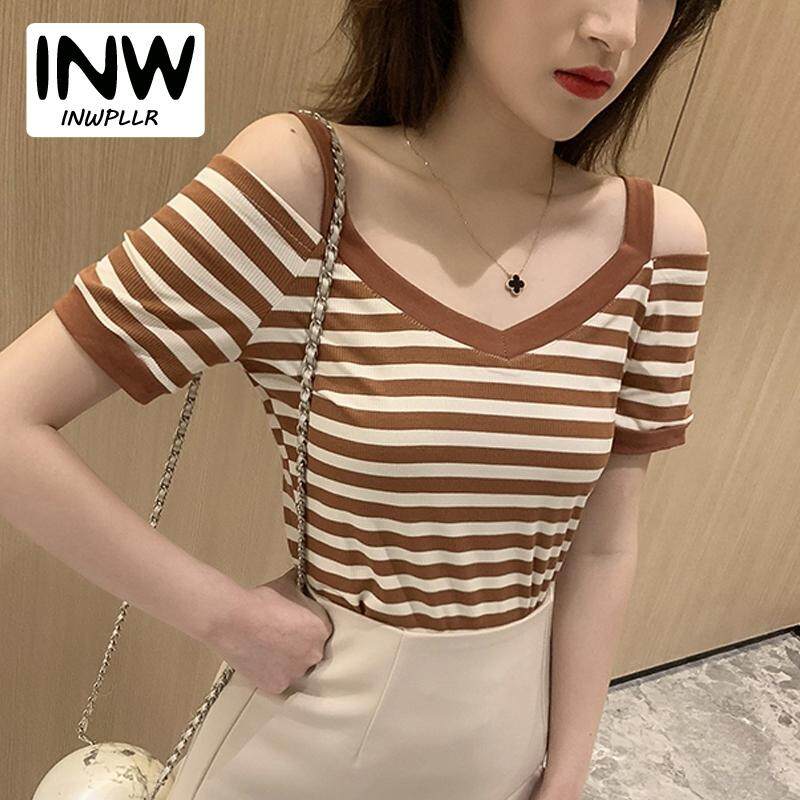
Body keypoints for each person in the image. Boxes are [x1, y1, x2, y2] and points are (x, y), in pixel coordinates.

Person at [0, 1, 722, 798]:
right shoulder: (303, 183)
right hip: (310, 745)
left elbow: (604, 546)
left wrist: (570, 770)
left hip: (504, 745)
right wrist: (227, 618)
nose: (616, 28)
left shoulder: (657, 244)